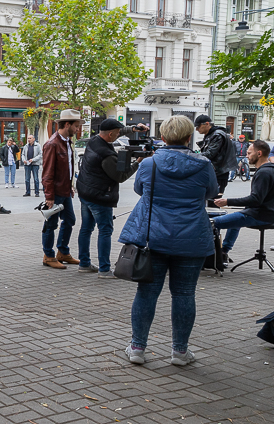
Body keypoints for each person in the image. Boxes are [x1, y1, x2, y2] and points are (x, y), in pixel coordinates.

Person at [120, 115, 218, 366]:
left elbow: (140, 190)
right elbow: (211, 193)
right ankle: (180, 352)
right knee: (185, 293)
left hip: (154, 237)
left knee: (147, 292)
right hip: (191, 236)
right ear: (189, 137)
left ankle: (137, 348)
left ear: (162, 137)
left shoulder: (149, 164)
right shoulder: (204, 164)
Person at [75, 119, 147, 278]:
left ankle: (84, 264)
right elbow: (121, 176)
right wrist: (138, 162)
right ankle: (104, 269)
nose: (118, 135)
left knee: (86, 229)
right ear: (110, 134)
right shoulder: (106, 155)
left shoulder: (94, 141)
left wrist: (134, 128)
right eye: (117, 133)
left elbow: (118, 131)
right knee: (105, 231)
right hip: (100, 196)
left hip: (85, 192)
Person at [213, 139, 274, 259]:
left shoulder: (264, 173)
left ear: (259, 153)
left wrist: (227, 201)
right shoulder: (270, 169)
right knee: (234, 222)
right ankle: (224, 252)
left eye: (249, 153)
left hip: (259, 215)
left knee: (211, 223)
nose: (246, 156)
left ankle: (212, 255)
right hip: (267, 213)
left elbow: (255, 199)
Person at [41, 109, 84, 269]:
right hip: (56, 192)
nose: (77, 129)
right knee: (51, 223)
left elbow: (68, 167)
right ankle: (48, 255)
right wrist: (49, 196)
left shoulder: (66, 142)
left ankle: (62, 252)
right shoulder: (52, 144)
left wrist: (70, 186)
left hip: (64, 190)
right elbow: (47, 173)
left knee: (70, 220)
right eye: (76, 126)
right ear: (67, 124)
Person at [194, 114, 238, 194]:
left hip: (219, 173)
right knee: (211, 199)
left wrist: (193, 156)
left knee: (214, 200)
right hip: (215, 171)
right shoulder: (211, 134)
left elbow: (210, 154)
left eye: (198, 126)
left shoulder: (217, 135)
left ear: (207, 124)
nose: (196, 129)